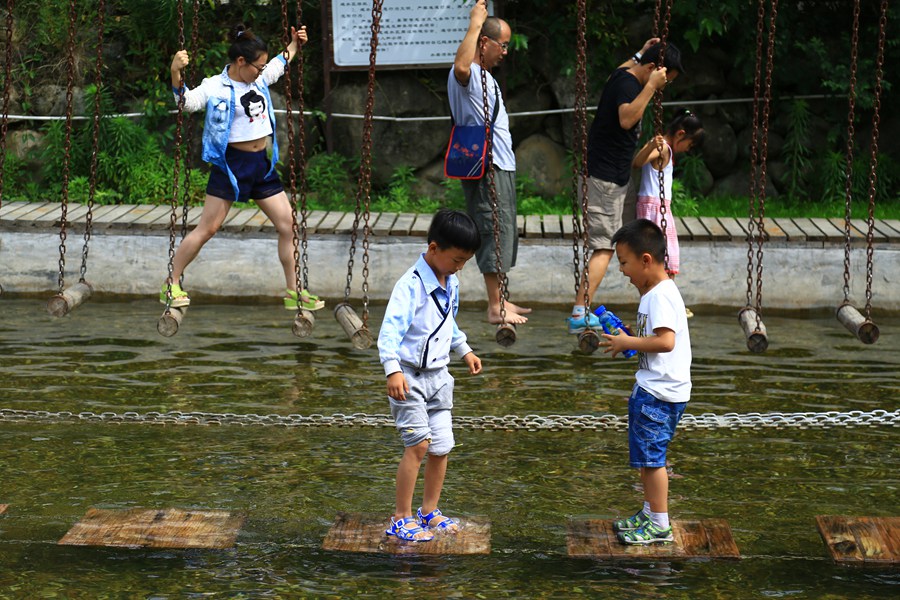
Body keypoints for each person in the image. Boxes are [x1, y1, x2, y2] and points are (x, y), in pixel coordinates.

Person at [162, 23, 324, 312]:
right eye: (258, 67)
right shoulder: (215, 86)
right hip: (231, 166)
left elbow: (280, 63)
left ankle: (294, 291)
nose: (262, 72)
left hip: (261, 166)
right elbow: (187, 103)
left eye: (263, 67)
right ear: (241, 61)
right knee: (208, 229)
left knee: (289, 226)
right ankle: (171, 283)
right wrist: (175, 71)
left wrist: (295, 44)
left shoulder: (258, 79)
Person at [378, 209, 483, 542]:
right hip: (409, 377)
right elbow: (389, 332)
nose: (460, 267)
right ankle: (401, 517)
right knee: (419, 444)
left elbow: (448, 324)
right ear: (434, 248)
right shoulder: (410, 285)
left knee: (441, 446)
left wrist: (465, 350)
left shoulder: (451, 282)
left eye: (465, 261)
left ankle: (429, 510)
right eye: (457, 259)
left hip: (440, 377)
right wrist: (393, 370)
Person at [567, 40, 684, 334]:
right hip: (604, 179)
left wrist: (640, 53)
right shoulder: (629, 85)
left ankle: (652, 301)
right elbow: (626, 118)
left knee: (637, 238)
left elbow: (618, 71)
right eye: (664, 79)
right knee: (604, 247)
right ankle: (580, 312)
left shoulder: (624, 75)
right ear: (652, 69)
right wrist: (651, 86)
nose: (663, 86)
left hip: (619, 179)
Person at [600, 219, 691, 545]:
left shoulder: (659, 296)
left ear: (646, 260)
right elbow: (656, 340)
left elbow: (666, 342)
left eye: (624, 262)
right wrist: (631, 338)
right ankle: (650, 512)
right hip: (656, 389)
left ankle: (660, 525)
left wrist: (628, 342)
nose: (622, 270)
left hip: (659, 393)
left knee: (653, 461)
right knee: (645, 458)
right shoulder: (657, 293)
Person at [448, 0, 530, 325]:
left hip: (499, 164)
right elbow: (461, 66)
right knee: (493, 228)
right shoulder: (467, 74)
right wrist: (475, 23)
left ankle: (501, 299)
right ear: (485, 42)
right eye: (503, 45)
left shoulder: (485, 77)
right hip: (488, 167)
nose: (505, 51)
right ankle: (495, 306)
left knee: (503, 230)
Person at [632, 109, 704, 280]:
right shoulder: (663, 147)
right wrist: (651, 146)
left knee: (659, 258)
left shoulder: (661, 146)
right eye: (690, 145)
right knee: (665, 258)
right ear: (680, 134)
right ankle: (665, 291)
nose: (688, 149)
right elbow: (637, 163)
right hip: (656, 209)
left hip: (655, 207)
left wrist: (650, 145)